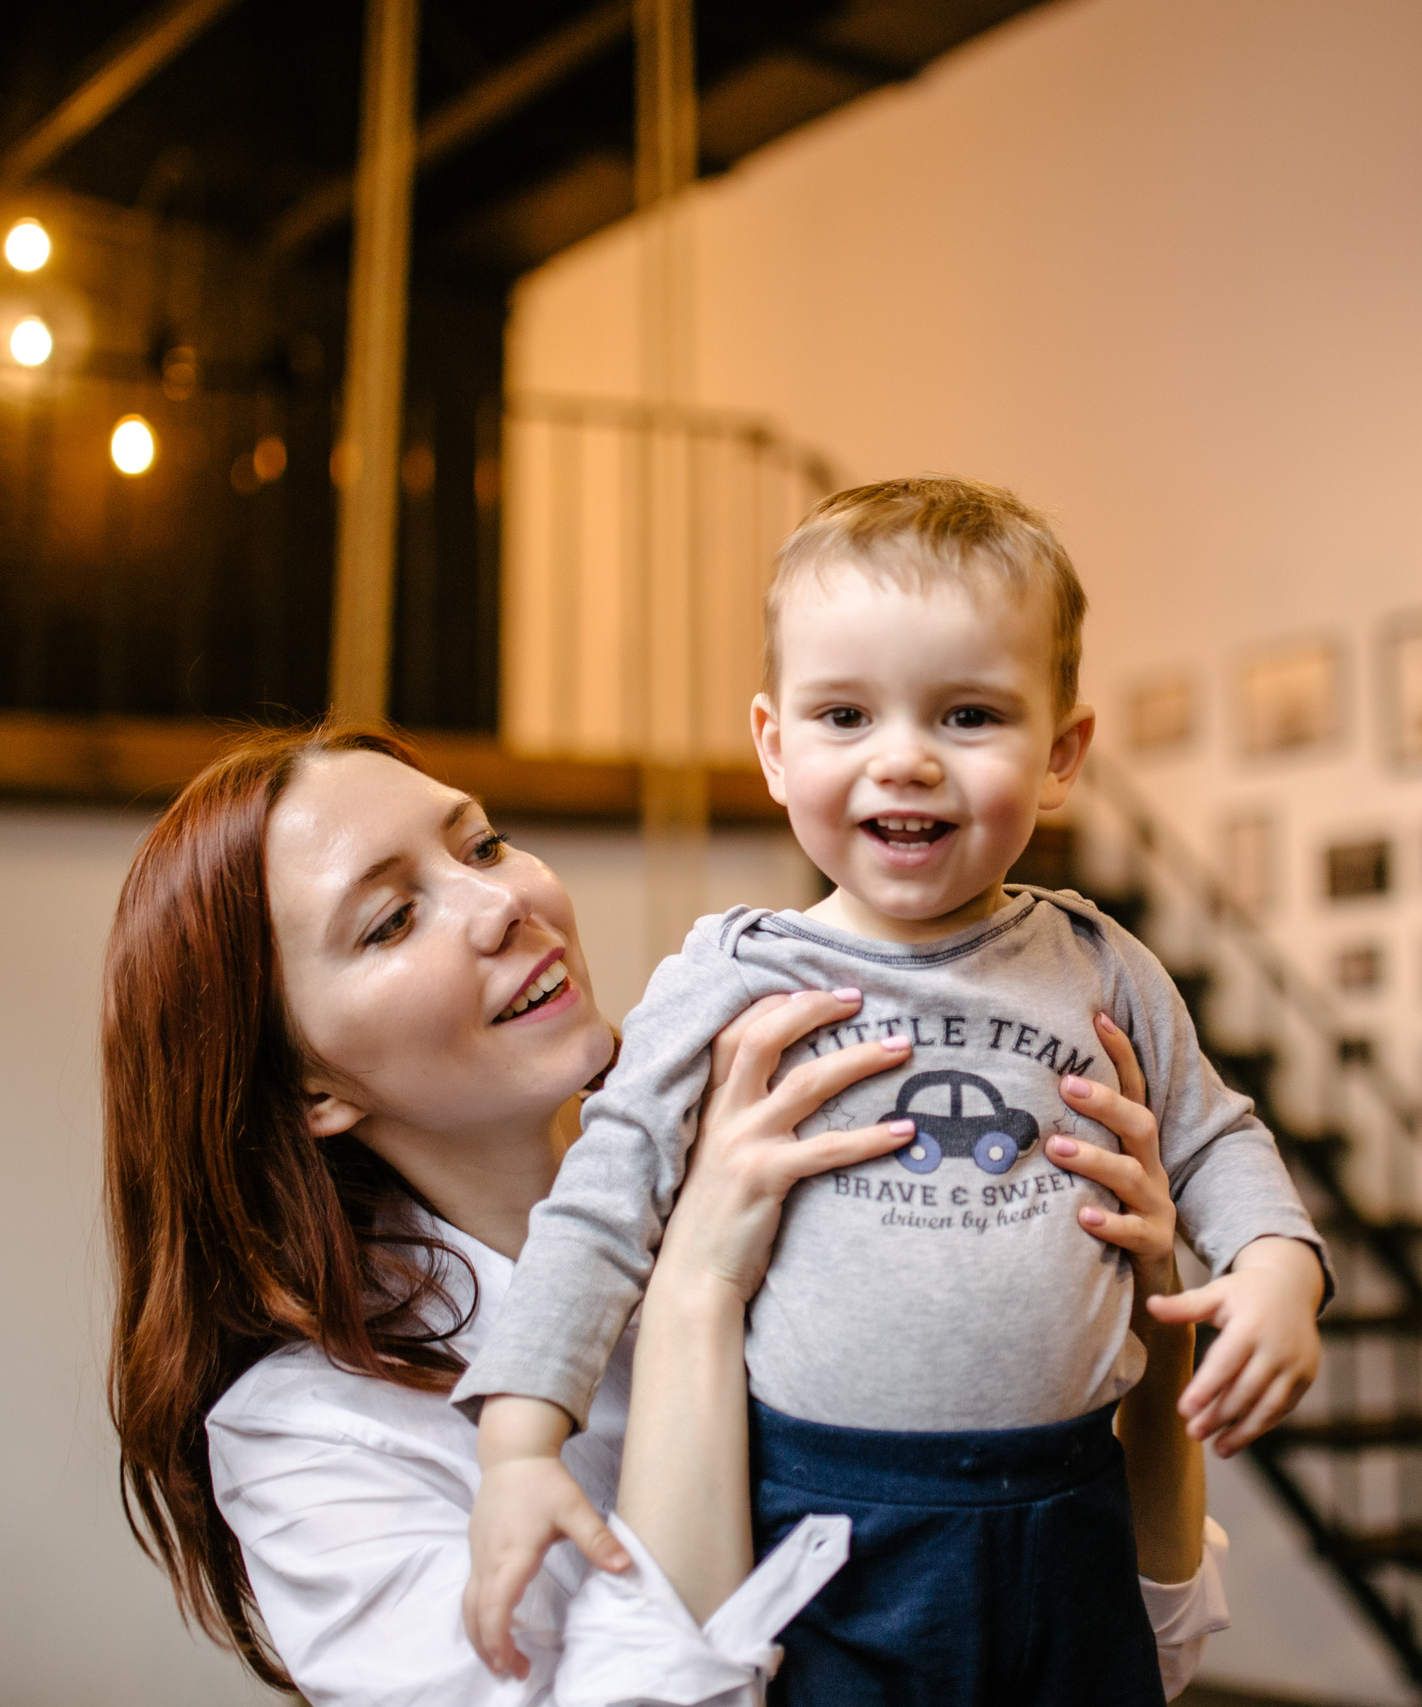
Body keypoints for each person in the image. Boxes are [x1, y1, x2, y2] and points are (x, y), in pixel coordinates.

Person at [102, 723, 1232, 1707]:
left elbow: (1153, 1643)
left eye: (483, 844)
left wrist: (1151, 1319)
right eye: (393, 919)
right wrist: (696, 1286)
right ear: (310, 1088)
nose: (502, 903)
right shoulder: (310, 1436)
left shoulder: (806, 1171)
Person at [463, 478, 1331, 1704]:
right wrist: (518, 1445)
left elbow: (1213, 1138)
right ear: (774, 747)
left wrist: (1278, 1266)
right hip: (829, 1523)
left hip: (1072, 1507)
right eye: (845, 715)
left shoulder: (1100, 964)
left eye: (969, 715)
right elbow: (602, 1205)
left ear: (1059, 755)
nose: (906, 759)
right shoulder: (734, 972)